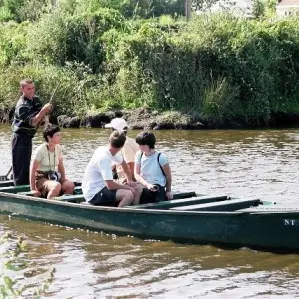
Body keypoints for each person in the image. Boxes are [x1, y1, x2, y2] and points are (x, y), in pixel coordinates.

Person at [82, 131, 140, 207]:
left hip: (101, 187)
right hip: (94, 194)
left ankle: (133, 212)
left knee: (136, 188)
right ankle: (118, 216)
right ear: (121, 147)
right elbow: (110, 185)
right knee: (128, 194)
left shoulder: (107, 150)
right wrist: (127, 187)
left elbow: (124, 163)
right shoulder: (104, 158)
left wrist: (129, 180)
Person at [11, 79, 52, 186]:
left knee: (26, 165)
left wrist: (46, 121)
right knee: (21, 168)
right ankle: (20, 191)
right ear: (22, 89)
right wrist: (44, 110)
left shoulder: (36, 99)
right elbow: (33, 122)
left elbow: (42, 116)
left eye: (33, 88)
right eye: (29, 89)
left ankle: (27, 185)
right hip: (20, 138)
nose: (31, 91)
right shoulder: (21, 105)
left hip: (28, 137)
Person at [30, 124, 75, 199]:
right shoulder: (40, 150)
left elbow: (60, 166)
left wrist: (63, 179)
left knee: (70, 185)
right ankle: (49, 207)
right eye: (57, 135)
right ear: (49, 137)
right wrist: (33, 189)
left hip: (53, 176)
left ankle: (64, 205)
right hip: (41, 179)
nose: (60, 137)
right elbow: (32, 169)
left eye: (60, 135)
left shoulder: (58, 148)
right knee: (56, 185)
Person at [134, 131, 173, 204]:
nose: (138, 146)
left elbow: (168, 175)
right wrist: (147, 185)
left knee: (151, 192)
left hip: (157, 186)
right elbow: (136, 174)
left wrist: (168, 191)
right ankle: (133, 211)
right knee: (136, 189)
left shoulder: (161, 157)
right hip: (144, 184)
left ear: (147, 145)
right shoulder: (139, 155)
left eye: (140, 144)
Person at [105, 117, 139, 182]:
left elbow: (131, 165)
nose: (111, 131)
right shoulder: (124, 142)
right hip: (120, 176)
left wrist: (129, 181)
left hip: (127, 178)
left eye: (112, 129)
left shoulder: (126, 144)